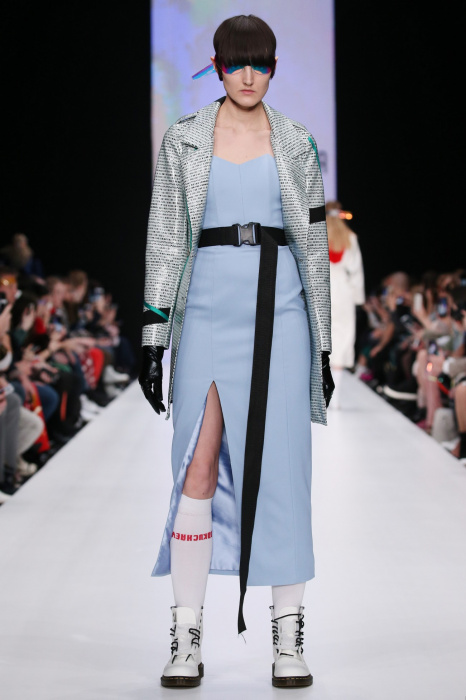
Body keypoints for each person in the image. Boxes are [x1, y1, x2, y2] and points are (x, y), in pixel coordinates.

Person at [139, 15, 333, 689]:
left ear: (274, 68)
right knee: (195, 467)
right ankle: (186, 635)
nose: (248, 76)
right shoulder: (184, 138)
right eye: (236, 63)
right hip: (206, 311)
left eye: (261, 64)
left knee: (284, 472)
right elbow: (167, 237)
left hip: (281, 312)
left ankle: (288, 638)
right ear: (217, 67)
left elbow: (312, 247)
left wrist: (324, 345)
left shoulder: (298, 142)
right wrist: (154, 336)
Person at [325, 201, 365, 407]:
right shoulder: (350, 238)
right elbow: (356, 271)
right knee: (341, 343)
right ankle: (335, 397)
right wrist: (358, 298)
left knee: (321, 339)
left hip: (322, 288)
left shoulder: (317, 235)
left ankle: (321, 395)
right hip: (343, 291)